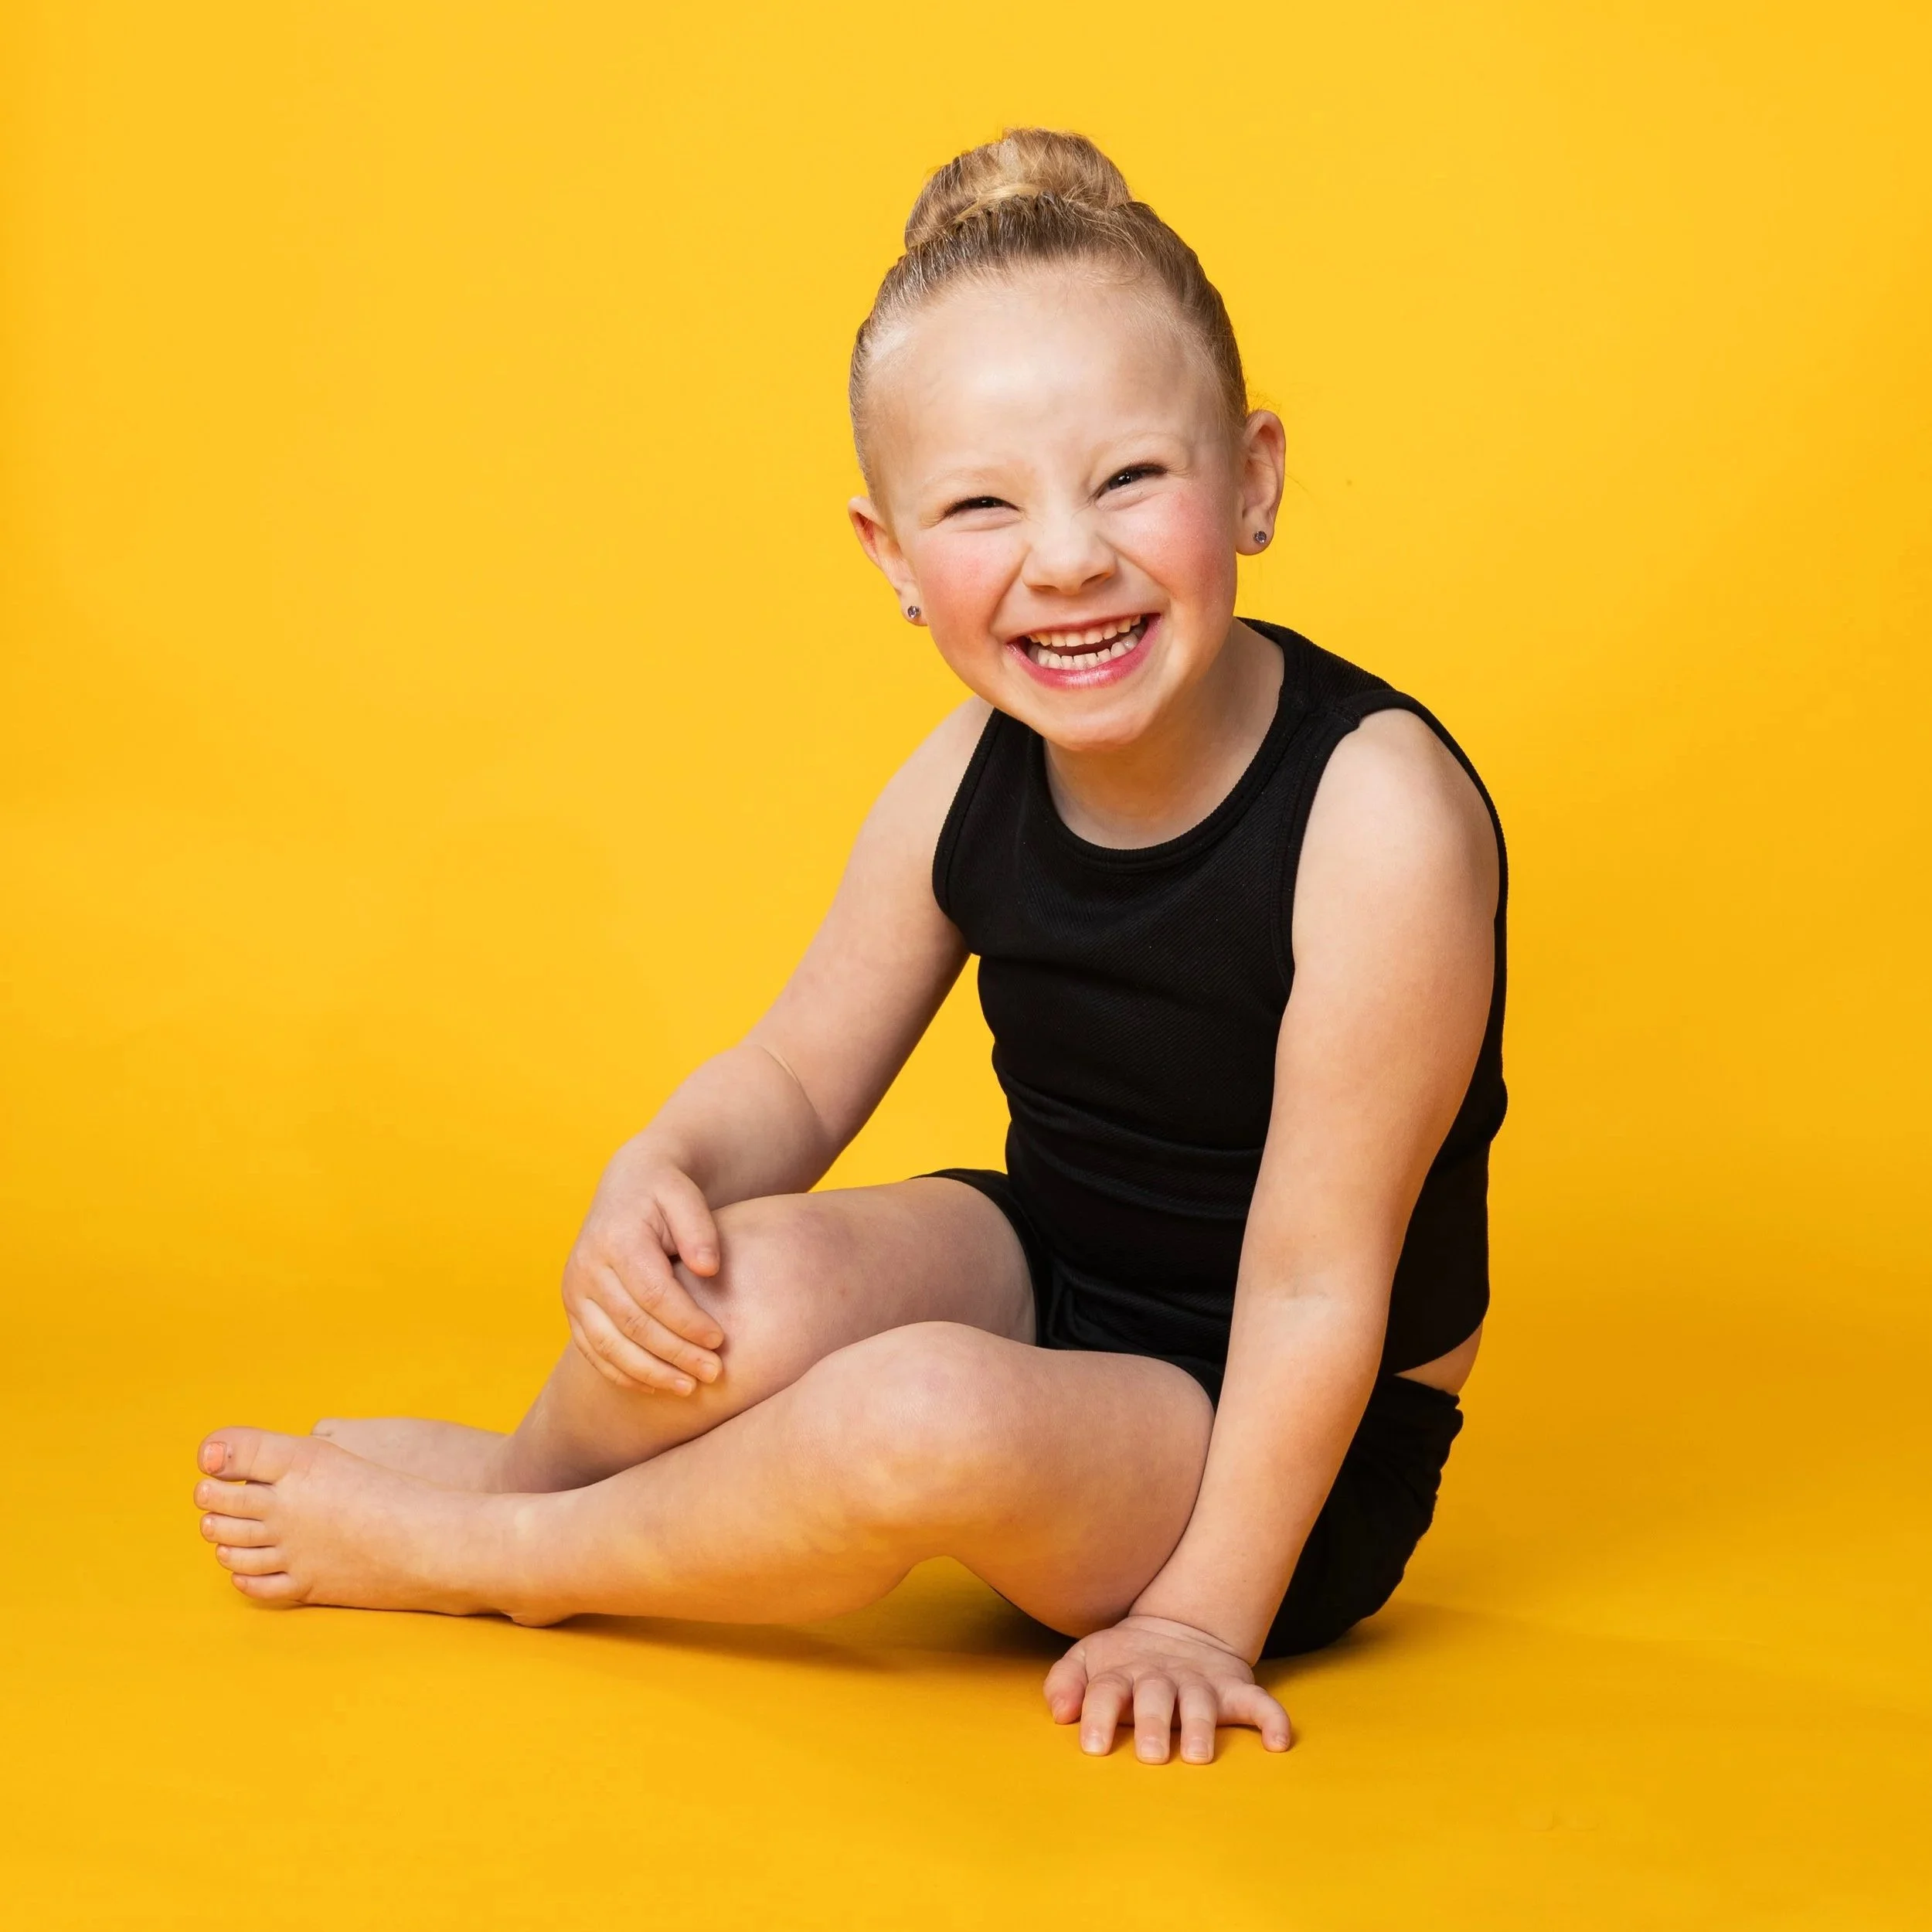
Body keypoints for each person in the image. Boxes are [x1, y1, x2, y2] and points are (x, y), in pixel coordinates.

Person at [192, 128, 1506, 1767]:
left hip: (1283, 1448)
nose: (1065, 555)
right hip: (1060, 1273)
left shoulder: (1375, 815)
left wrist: (1196, 1612)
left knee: (920, 1409)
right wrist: (655, 1162)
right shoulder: (965, 772)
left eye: (1128, 477)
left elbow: (1316, 1284)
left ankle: (500, 1553)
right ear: (890, 558)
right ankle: (526, 1467)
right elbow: (796, 1073)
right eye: (979, 505)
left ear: (1247, 477)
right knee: (740, 1263)